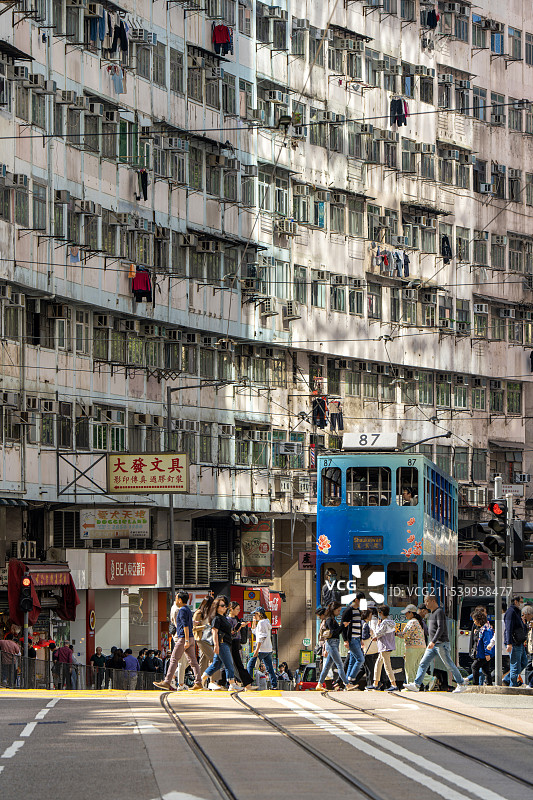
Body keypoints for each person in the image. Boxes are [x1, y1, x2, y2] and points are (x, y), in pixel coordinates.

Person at [404, 594, 465, 693]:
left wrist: (433, 641)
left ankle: (461, 683)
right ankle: (416, 684)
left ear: (433, 601)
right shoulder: (432, 613)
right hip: (433, 645)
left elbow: (441, 628)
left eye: (427, 601)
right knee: (423, 663)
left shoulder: (439, 612)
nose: (425, 603)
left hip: (441, 644)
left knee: (449, 664)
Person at [155, 591, 202, 692]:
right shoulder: (188, 610)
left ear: (180, 600)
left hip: (183, 638)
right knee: (193, 662)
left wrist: (185, 640)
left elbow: (185, 626)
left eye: (176, 598)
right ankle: (198, 682)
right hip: (191, 637)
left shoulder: (181, 611)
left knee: (173, 659)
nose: (175, 600)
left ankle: (167, 682)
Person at [201, 595, 242, 693]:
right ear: (217, 607)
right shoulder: (217, 618)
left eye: (225, 605)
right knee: (229, 664)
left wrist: (236, 629)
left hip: (225, 643)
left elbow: (227, 631)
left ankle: (202, 678)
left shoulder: (223, 618)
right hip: (222, 644)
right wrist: (216, 645)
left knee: (216, 664)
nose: (225, 607)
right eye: (222, 605)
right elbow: (214, 631)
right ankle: (232, 684)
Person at [315, 602, 357, 691]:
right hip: (332, 644)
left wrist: (343, 626)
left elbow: (337, 631)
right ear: (333, 610)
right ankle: (347, 684)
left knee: (327, 667)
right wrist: (343, 625)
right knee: (340, 665)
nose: (339, 612)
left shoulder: (332, 619)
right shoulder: (329, 619)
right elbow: (334, 632)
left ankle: (319, 684)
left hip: (334, 644)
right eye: (338, 610)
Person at [367, 605, 398, 692]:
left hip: (385, 646)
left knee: (387, 666)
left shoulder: (384, 623)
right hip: (388, 646)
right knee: (378, 664)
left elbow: (378, 632)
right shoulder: (391, 621)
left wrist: (377, 625)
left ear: (380, 613)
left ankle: (394, 685)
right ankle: (375, 683)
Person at [247, 607, 278, 690]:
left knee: (250, 665)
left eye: (255, 614)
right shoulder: (266, 622)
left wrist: (256, 650)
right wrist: (254, 622)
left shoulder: (261, 623)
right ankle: (274, 685)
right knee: (270, 668)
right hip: (268, 649)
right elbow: (254, 631)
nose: (255, 616)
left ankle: (249, 683)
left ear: (259, 614)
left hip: (261, 649)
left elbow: (261, 637)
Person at [227, 601, 255, 690]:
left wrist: (242, 625)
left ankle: (244, 683)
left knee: (234, 663)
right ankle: (246, 683)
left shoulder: (236, 618)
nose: (238, 611)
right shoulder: (228, 619)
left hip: (236, 642)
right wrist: (239, 626)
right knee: (234, 663)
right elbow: (231, 632)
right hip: (231, 642)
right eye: (237, 609)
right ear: (231, 609)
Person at [193, 596, 220, 685]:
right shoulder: (198, 613)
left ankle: (199, 682)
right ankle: (213, 681)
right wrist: (204, 627)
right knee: (214, 658)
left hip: (208, 638)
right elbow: (193, 628)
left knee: (203, 660)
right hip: (201, 639)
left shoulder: (209, 613)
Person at [342, 592, 366, 686]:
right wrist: (345, 640)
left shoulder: (358, 611)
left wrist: (360, 638)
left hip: (357, 639)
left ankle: (347, 683)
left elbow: (358, 625)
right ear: (356, 600)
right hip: (352, 638)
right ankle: (351, 677)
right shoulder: (348, 610)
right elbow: (343, 626)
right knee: (360, 659)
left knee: (352, 661)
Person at [398, 604, 426, 684]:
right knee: (416, 668)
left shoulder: (412, 622)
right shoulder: (417, 622)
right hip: (420, 647)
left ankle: (411, 684)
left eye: (406, 613)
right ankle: (429, 680)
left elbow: (405, 634)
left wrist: (395, 633)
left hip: (413, 648)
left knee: (409, 668)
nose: (405, 614)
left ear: (411, 613)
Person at [504, 595, 528, 687]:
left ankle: (507, 679)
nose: (522, 604)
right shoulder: (511, 612)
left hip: (520, 643)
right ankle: (512, 685)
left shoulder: (517, 612)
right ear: (516, 602)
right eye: (521, 602)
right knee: (515, 665)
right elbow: (508, 628)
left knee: (523, 662)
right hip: (514, 643)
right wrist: (509, 643)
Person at [470, 611, 493, 686]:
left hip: (483, 654)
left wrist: (487, 653)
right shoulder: (485, 628)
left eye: (475, 620)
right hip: (484, 653)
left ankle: (475, 684)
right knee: (486, 670)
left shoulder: (485, 630)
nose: (474, 622)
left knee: (474, 667)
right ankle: (489, 684)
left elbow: (487, 642)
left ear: (479, 620)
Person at [361, 609, 379, 688]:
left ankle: (352, 681)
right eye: (370, 615)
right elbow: (365, 636)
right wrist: (370, 635)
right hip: (367, 649)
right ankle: (370, 684)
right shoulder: (365, 625)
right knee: (370, 668)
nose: (371, 616)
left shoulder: (362, 623)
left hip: (364, 649)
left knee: (364, 668)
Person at [523, 605, 533, 688]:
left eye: (524, 615)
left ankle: (529, 683)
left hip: (532, 649)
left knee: (529, 666)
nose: (524, 617)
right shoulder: (528, 623)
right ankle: (528, 683)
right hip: (530, 649)